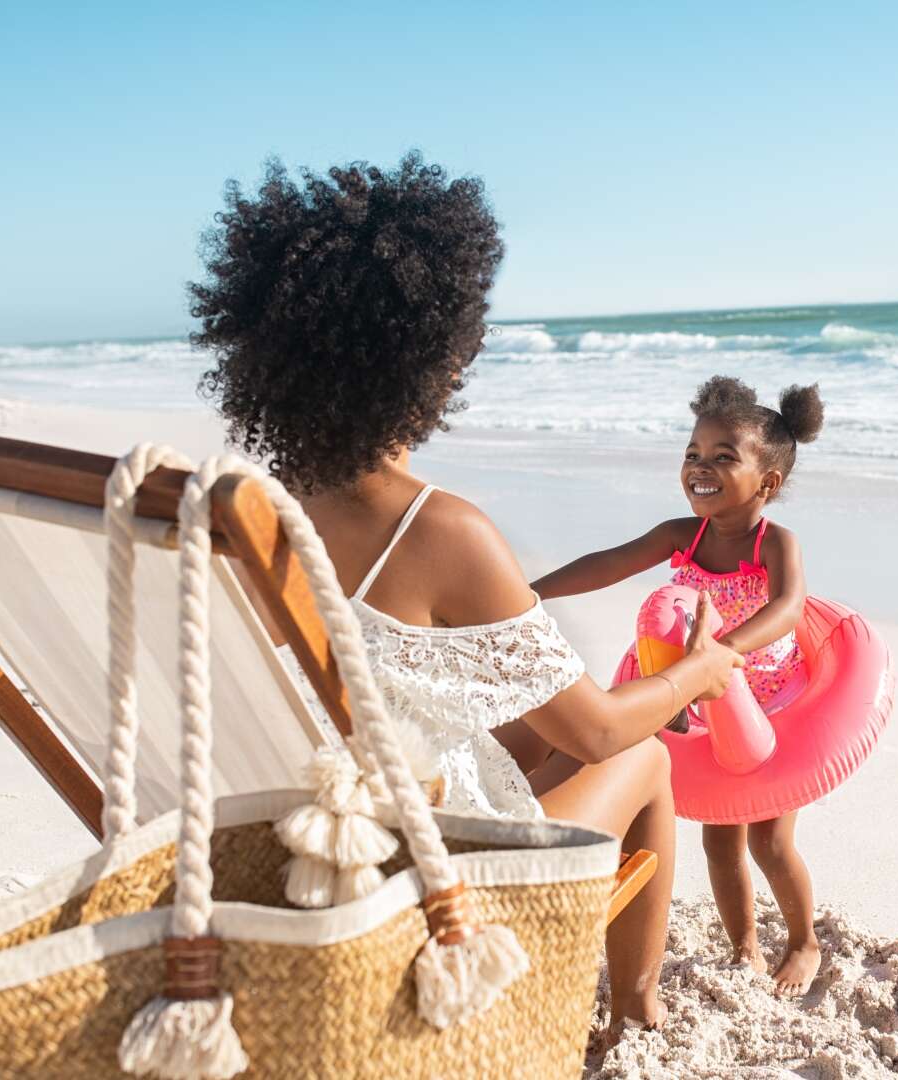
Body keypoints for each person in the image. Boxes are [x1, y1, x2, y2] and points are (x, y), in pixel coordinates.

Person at [189, 154, 742, 1035]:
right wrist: (699, 673)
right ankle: (637, 1010)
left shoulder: (251, 512)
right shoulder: (437, 531)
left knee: (528, 730)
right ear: (430, 359)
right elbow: (596, 728)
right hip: (423, 878)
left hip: (287, 838)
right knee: (643, 759)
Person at [532, 374, 827, 996]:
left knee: (771, 843)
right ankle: (744, 949)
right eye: (693, 453)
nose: (700, 466)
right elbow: (608, 563)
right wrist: (530, 592)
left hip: (765, 699)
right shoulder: (680, 534)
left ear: (767, 483)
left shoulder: (776, 542)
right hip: (701, 695)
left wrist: (717, 653)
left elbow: (789, 608)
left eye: (724, 457)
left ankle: (804, 941)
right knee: (720, 843)